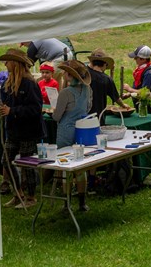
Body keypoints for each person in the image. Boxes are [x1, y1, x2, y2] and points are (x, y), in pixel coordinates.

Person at [0, 48, 45, 210]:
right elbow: (5, 102)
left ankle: (31, 197)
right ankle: (18, 193)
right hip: (13, 130)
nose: (5, 63)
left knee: (27, 163)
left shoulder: (30, 84)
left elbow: (35, 108)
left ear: (16, 63)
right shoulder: (7, 83)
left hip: (28, 130)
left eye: (8, 60)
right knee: (6, 160)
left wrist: (13, 111)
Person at [52, 60, 92, 211]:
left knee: (65, 166)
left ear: (69, 75)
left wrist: (56, 110)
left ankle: (66, 203)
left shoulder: (65, 93)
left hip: (66, 132)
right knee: (81, 166)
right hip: (81, 129)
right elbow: (88, 107)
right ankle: (82, 202)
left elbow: (56, 117)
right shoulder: (87, 89)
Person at [86, 50, 129, 120]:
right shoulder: (107, 80)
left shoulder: (85, 74)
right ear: (104, 64)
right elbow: (117, 98)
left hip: (82, 115)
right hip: (98, 116)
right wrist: (123, 105)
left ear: (92, 62)